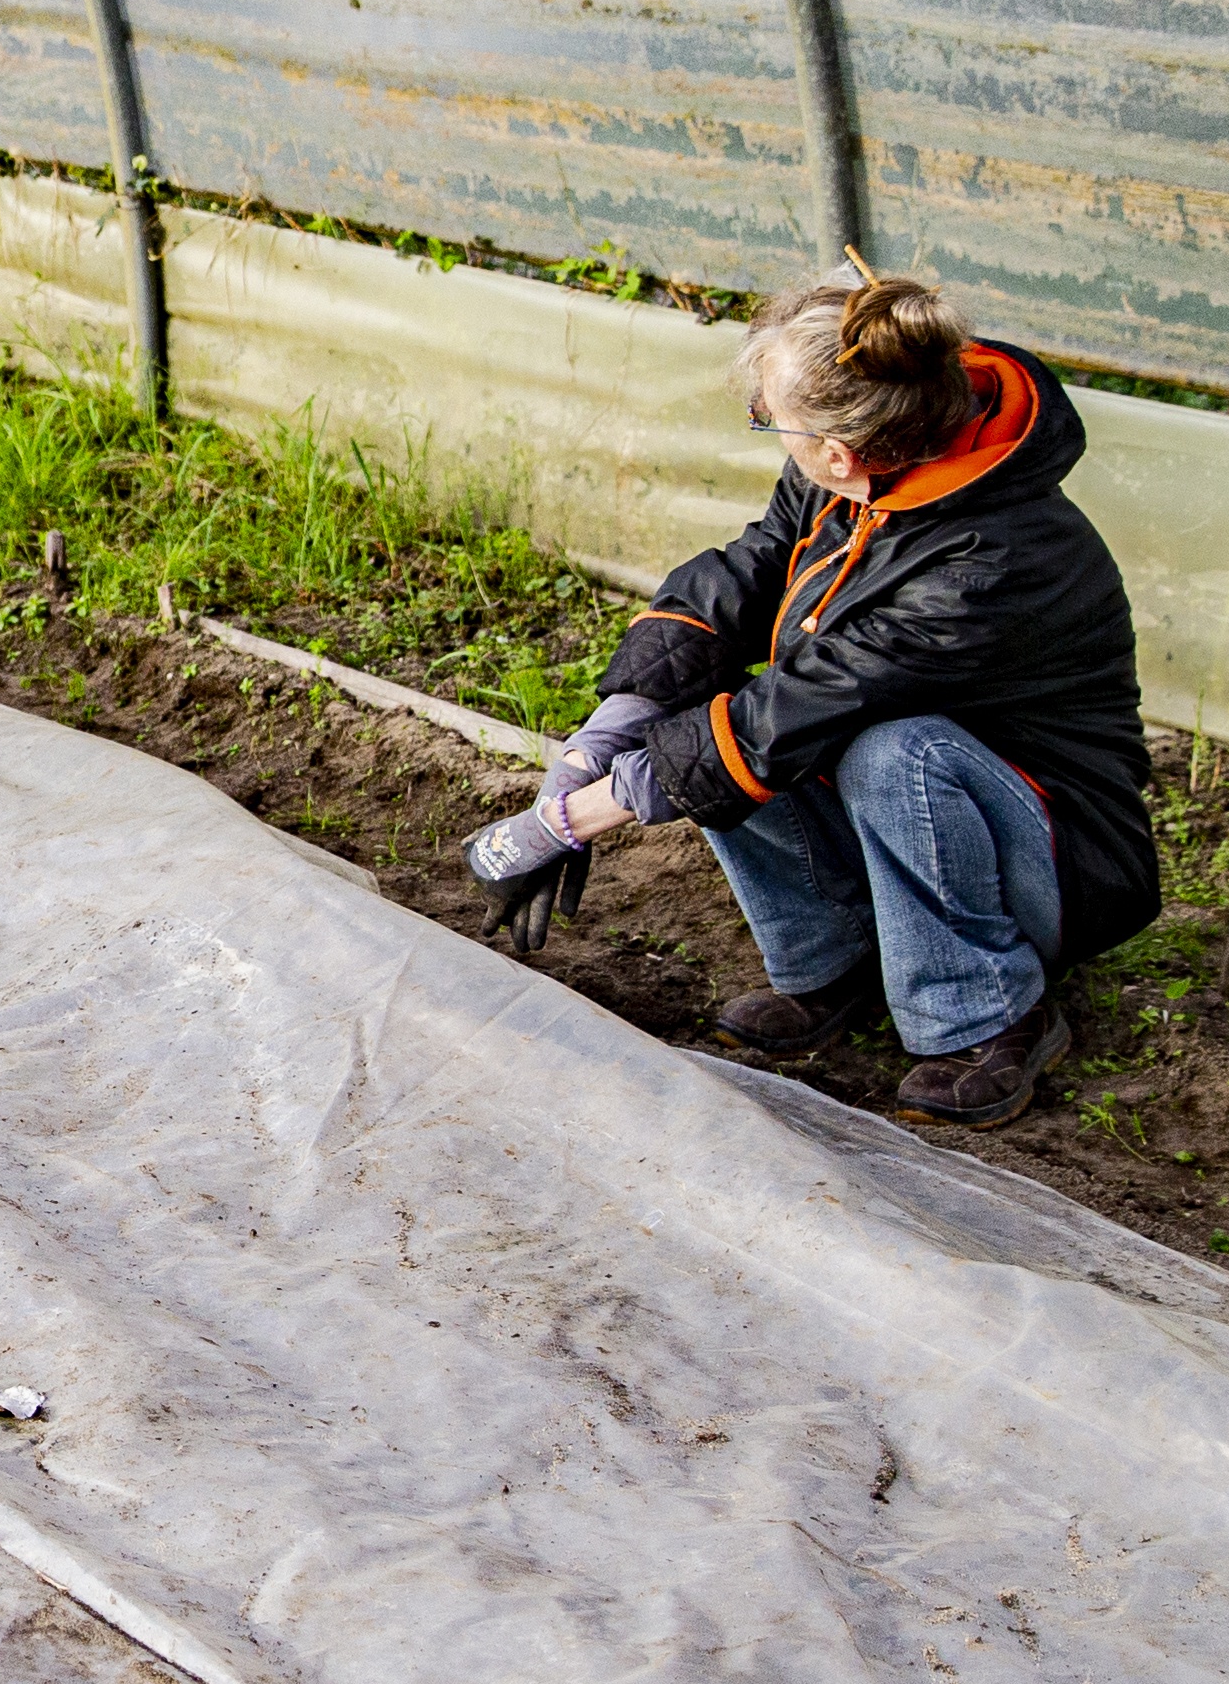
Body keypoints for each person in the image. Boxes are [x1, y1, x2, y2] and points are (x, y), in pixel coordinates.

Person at [462, 256, 1155, 1129]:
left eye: (767, 419)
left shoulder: (996, 561)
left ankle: (985, 1012)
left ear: (838, 449)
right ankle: (837, 962)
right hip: (909, 804)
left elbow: (803, 708)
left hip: (1058, 852)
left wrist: (558, 825)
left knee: (885, 750)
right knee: (700, 718)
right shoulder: (859, 472)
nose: (769, 433)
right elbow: (744, 578)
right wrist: (599, 743)